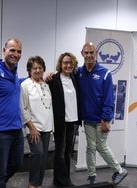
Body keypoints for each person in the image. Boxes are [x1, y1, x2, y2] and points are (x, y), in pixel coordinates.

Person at [77, 42, 128, 185]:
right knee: (90, 147)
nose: (88, 55)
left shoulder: (105, 73)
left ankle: (119, 170)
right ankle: (91, 175)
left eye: (91, 53)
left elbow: (109, 98)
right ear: (82, 54)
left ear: (96, 53)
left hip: (101, 119)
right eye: (86, 53)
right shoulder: (79, 72)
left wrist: (105, 119)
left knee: (101, 146)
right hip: (87, 118)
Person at [0, 38, 24, 188]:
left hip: (16, 128)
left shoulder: (14, 73)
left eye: (18, 51)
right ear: (4, 51)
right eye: (12, 50)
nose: (15, 54)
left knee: (17, 163)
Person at [47, 52, 81, 187]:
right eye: (65, 63)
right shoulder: (54, 79)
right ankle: (62, 182)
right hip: (60, 122)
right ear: (60, 65)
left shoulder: (75, 78)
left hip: (72, 121)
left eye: (70, 62)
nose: (68, 65)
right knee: (60, 153)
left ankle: (64, 179)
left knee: (67, 153)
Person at [21, 56, 54, 188]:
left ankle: (39, 184)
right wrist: (31, 127)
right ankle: (32, 184)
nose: (37, 70)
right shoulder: (25, 85)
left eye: (40, 68)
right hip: (33, 127)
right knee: (38, 153)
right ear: (29, 70)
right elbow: (23, 107)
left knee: (44, 157)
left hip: (47, 127)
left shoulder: (46, 85)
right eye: (34, 68)